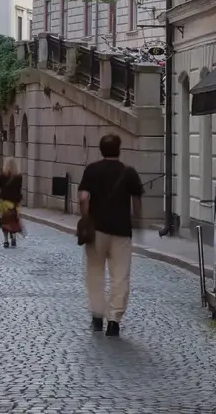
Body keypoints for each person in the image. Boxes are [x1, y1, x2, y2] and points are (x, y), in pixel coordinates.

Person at [78, 134, 144, 337]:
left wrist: (86, 216)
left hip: (97, 230)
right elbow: (137, 200)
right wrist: (138, 220)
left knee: (95, 274)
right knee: (120, 276)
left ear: (101, 150)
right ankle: (114, 320)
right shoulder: (128, 173)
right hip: (121, 232)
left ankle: (97, 316)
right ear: (119, 149)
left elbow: (83, 198)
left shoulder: (92, 170)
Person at [0, 157, 25, 248]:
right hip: (15, 202)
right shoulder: (19, 177)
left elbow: (0, 186)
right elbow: (19, 188)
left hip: (4, 202)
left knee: (5, 221)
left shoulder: (2, 176)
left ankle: (5, 241)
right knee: (13, 220)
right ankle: (13, 237)